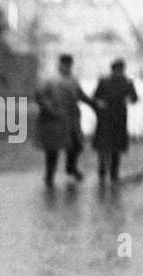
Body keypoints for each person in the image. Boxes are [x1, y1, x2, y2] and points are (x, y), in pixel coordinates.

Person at [35, 54, 94, 187]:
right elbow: (40, 95)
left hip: (71, 118)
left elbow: (81, 95)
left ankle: (71, 168)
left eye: (68, 65)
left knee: (76, 146)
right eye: (64, 64)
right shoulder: (50, 80)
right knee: (52, 149)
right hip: (55, 119)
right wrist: (50, 108)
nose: (66, 67)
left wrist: (95, 105)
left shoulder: (73, 80)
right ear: (59, 65)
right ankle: (49, 175)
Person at [90, 59, 137, 185]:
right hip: (107, 115)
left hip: (118, 115)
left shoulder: (127, 82)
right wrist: (100, 104)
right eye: (118, 69)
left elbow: (134, 97)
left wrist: (129, 100)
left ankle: (113, 171)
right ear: (113, 70)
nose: (119, 72)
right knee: (104, 144)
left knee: (116, 145)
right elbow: (95, 96)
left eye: (121, 69)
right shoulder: (105, 81)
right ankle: (103, 169)